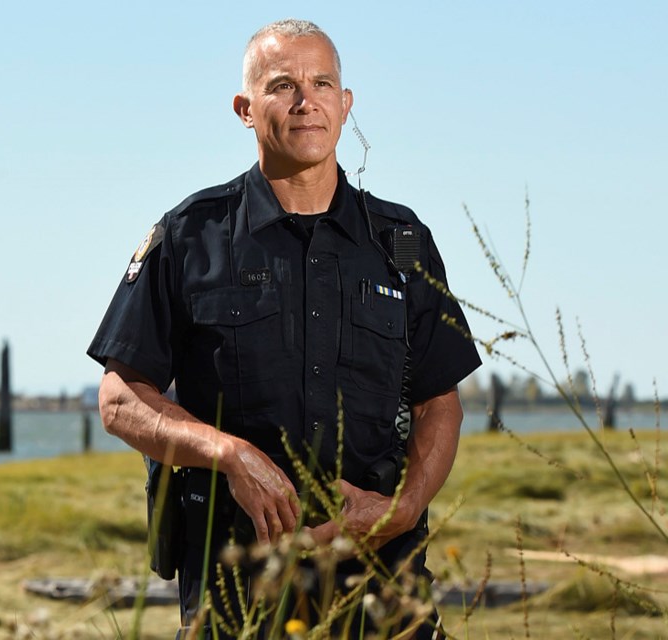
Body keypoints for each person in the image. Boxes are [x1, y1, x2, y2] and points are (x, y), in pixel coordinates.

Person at [88, 18, 481, 639]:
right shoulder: (192, 235)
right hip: (238, 577)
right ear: (245, 109)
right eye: (283, 85)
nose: (307, 101)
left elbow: (441, 401)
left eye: (322, 83)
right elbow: (118, 400)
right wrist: (231, 454)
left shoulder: (402, 243)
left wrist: (401, 509)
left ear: (345, 106)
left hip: (381, 575)